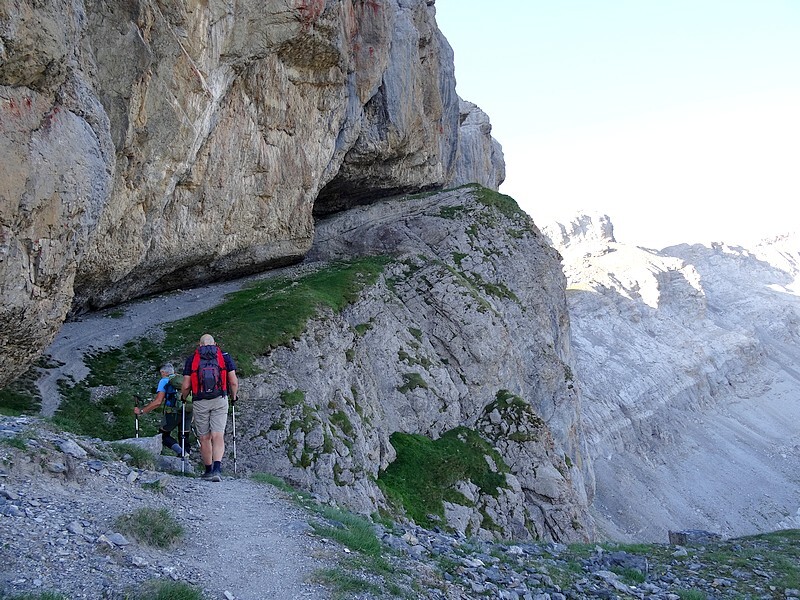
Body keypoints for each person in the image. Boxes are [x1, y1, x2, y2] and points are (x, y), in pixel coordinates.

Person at [181, 333, 238, 482]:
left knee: (204, 437)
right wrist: (233, 396)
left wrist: (183, 397)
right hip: (220, 399)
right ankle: (217, 469)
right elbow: (233, 381)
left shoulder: (192, 359)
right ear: (215, 344)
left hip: (200, 401)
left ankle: (208, 470)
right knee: (218, 435)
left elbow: (186, 385)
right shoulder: (224, 357)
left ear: (200, 345)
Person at [133, 363, 188, 457]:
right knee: (184, 435)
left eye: (161, 372)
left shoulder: (164, 381)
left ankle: (181, 452)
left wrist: (142, 411)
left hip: (173, 411)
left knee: (163, 436)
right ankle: (186, 458)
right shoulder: (182, 379)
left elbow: (158, 402)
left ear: (163, 372)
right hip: (188, 410)